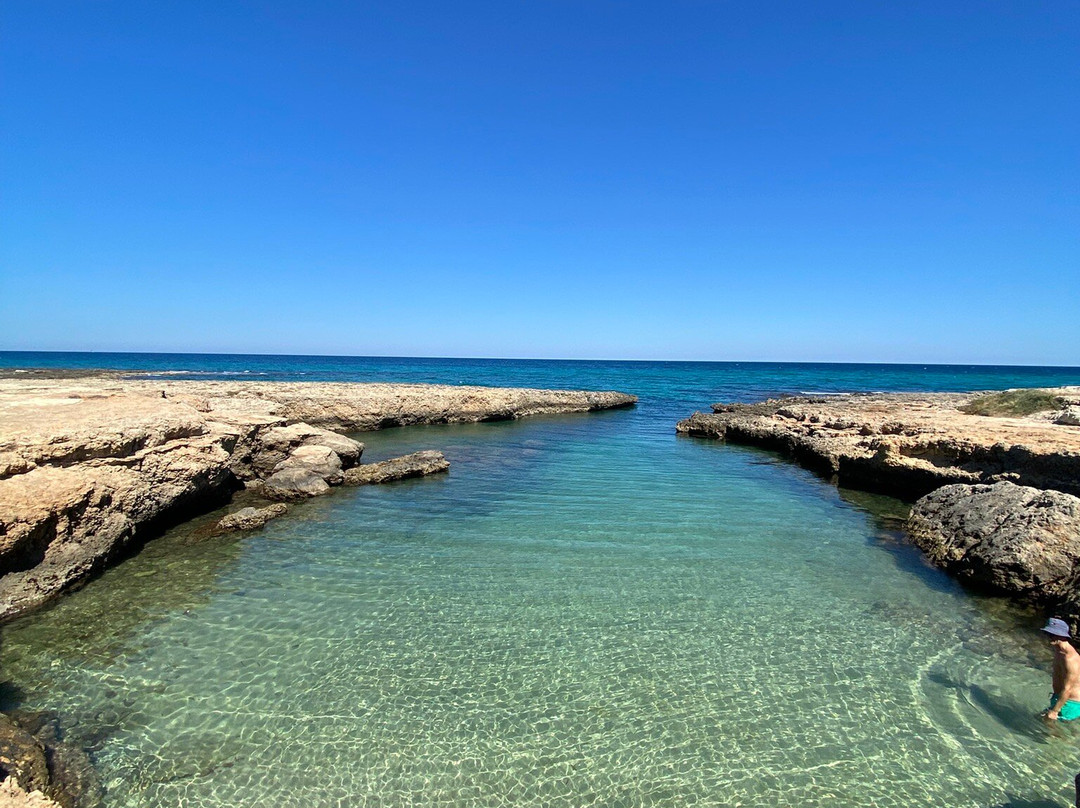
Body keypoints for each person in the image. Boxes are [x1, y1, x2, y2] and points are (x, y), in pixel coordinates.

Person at [1041, 617, 1080, 722]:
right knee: (1039, 720)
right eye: (1047, 634)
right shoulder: (1059, 651)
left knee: (1048, 725)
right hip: (1060, 698)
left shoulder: (1070, 659)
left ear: (1062, 635)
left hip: (1069, 703)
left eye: (1052, 634)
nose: (1049, 637)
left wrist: (1055, 711)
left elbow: (1068, 688)